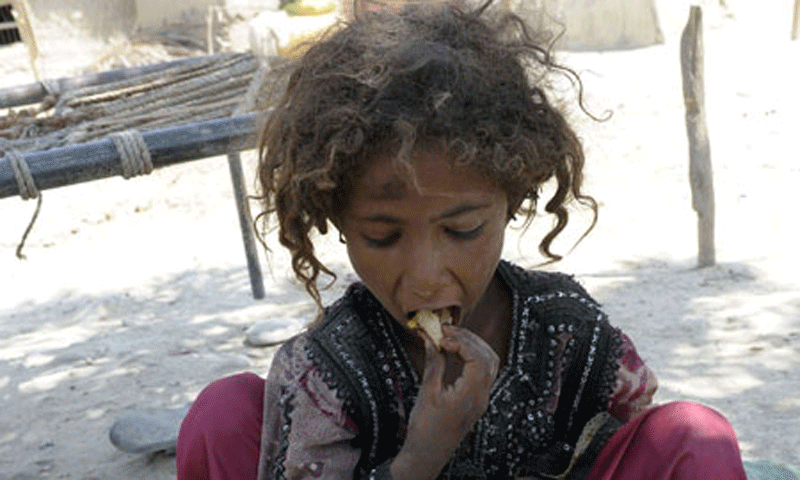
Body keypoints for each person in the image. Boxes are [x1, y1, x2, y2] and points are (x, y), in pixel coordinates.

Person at [176, 1, 749, 479]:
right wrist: (423, 453)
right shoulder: (325, 371)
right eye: (382, 236)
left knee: (695, 437)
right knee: (223, 414)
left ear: (516, 197)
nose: (426, 274)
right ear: (335, 220)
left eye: (463, 229)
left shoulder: (564, 326)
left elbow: (635, 440)